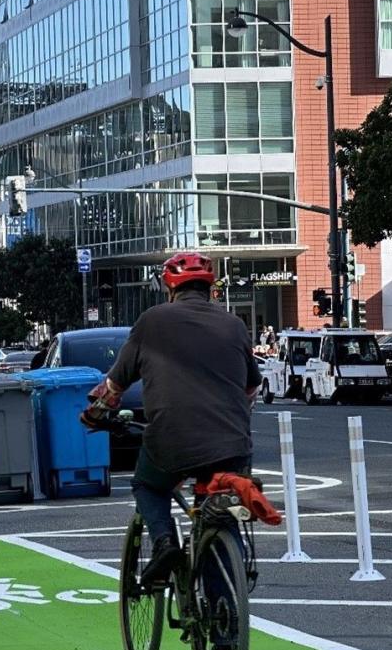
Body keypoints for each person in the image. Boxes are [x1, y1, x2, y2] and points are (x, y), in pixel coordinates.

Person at [82, 252, 260, 589]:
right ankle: (225, 621)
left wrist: (96, 413)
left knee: (147, 485)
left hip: (171, 438)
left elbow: (115, 384)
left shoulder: (151, 321)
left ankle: (164, 544)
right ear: (210, 288)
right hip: (232, 442)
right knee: (222, 512)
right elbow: (252, 386)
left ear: (170, 288)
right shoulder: (235, 325)